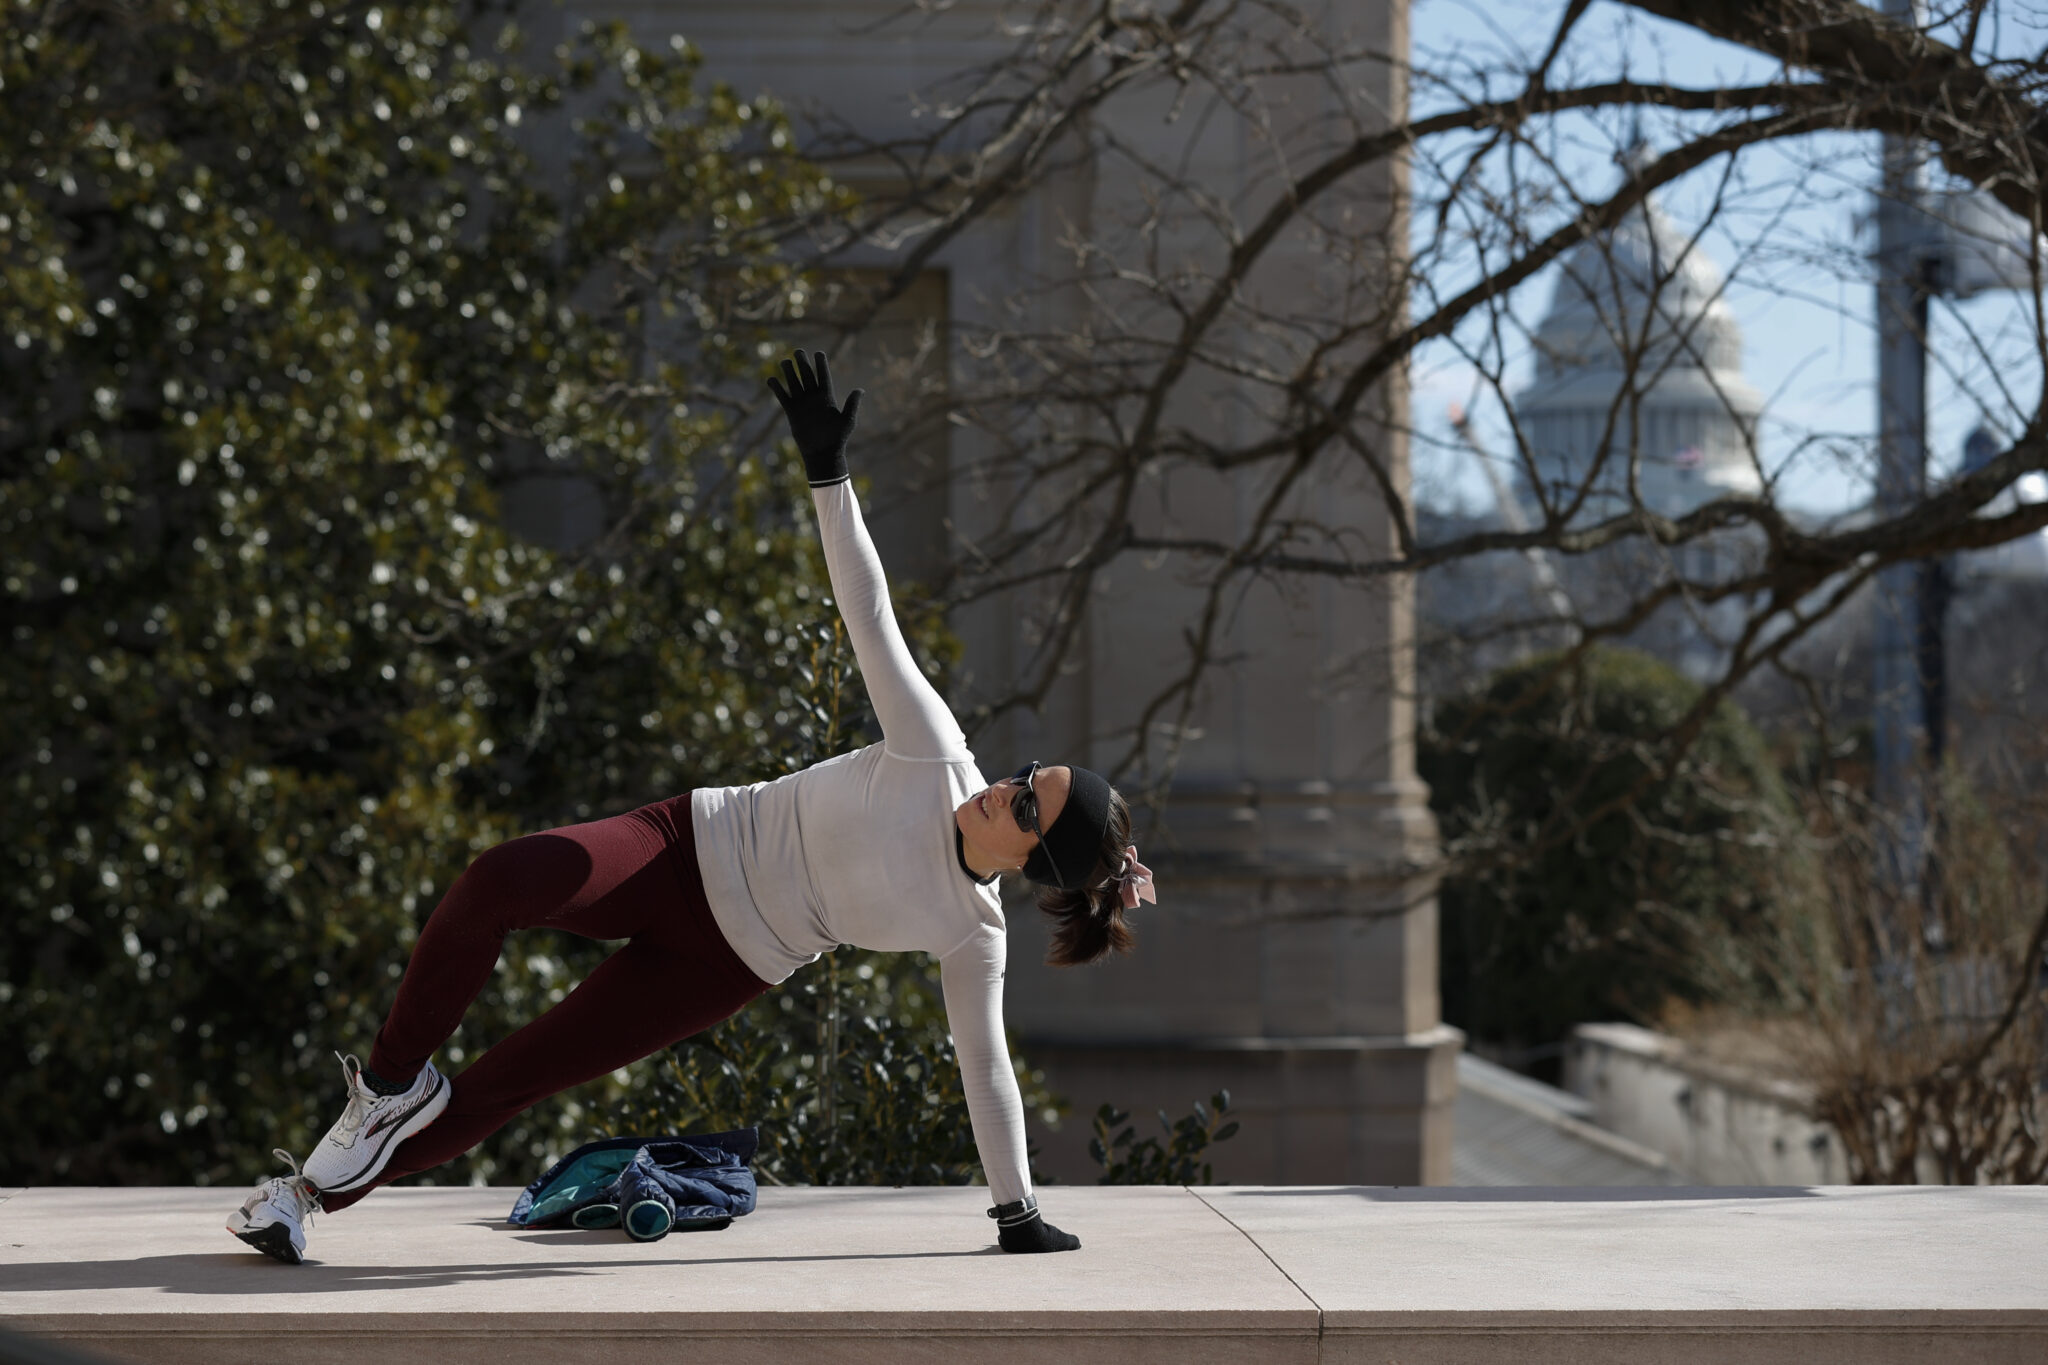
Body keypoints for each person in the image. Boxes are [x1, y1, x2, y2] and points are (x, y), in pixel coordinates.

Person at [225, 351, 1159, 1265]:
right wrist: (828, 472)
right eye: (1030, 771)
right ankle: (388, 1082)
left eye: (1028, 805)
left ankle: (301, 1198)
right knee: (499, 878)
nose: (1009, 784)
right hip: (684, 842)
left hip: (724, 963)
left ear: (1033, 860)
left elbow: (984, 1068)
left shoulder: (972, 935)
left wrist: (1017, 1209)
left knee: (512, 1079)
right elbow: (867, 610)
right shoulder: (933, 750)